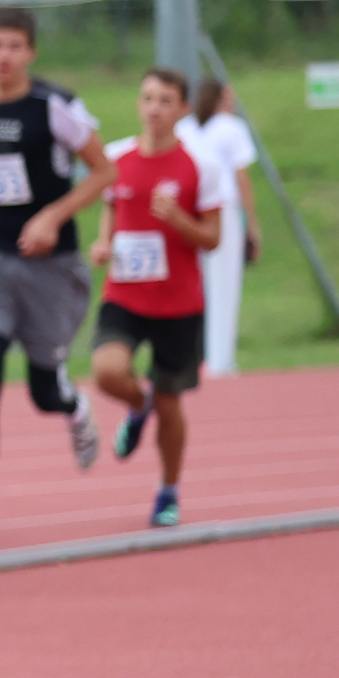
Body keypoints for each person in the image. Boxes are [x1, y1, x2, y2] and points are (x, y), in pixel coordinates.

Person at [0, 6, 117, 557]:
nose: (4, 56)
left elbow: (104, 171)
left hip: (50, 268)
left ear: (30, 52)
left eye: (14, 46)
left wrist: (52, 216)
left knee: (41, 391)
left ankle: (73, 406)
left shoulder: (53, 107)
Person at [91, 66, 231, 528]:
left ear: (184, 109)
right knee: (107, 371)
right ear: (138, 103)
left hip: (178, 303)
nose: (155, 109)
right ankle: (138, 404)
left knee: (172, 405)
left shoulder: (201, 166)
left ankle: (169, 490)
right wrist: (103, 242)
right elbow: (112, 207)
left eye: (166, 101)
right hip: (125, 295)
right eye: (148, 99)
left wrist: (178, 221)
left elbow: (213, 238)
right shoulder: (116, 157)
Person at [179, 79, 263, 379]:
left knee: (192, 284)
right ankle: (220, 361)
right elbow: (241, 177)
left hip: (189, 210)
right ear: (224, 97)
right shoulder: (231, 127)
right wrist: (252, 224)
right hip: (222, 209)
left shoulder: (185, 128)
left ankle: (190, 356)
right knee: (224, 286)